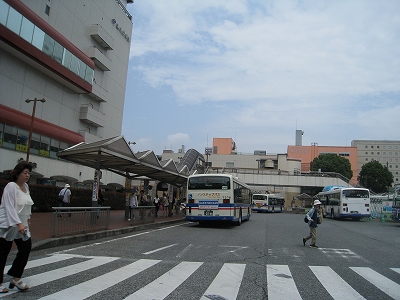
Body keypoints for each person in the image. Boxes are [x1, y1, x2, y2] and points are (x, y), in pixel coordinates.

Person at [0, 161, 34, 292]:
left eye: (29, 173)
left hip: (22, 226)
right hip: (7, 225)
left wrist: (28, 219)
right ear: (18, 173)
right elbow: (9, 207)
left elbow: (27, 205)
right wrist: (18, 223)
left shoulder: (26, 187)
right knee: (2, 253)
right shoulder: (11, 186)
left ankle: (16, 277)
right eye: (25, 173)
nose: (27, 175)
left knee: (25, 249)